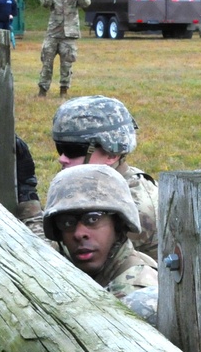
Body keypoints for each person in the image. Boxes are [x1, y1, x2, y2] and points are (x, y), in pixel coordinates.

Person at [38, 95, 158, 259]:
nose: (62, 158)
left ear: (111, 154)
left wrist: (29, 207)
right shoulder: (98, 184)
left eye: (73, 150)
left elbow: (51, 258)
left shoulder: (135, 206)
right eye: (60, 148)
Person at [42, 164, 158, 323]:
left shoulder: (135, 295)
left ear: (118, 224)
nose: (79, 234)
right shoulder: (62, 262)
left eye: (93, 219)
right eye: (67, 223)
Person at [38, 0, 90, 98]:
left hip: (69, 35)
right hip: (53, 34)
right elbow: (44, 3)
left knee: (67, 64)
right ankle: (43, 90)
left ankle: (64, 90)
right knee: (46, 63)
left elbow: (87, 3)